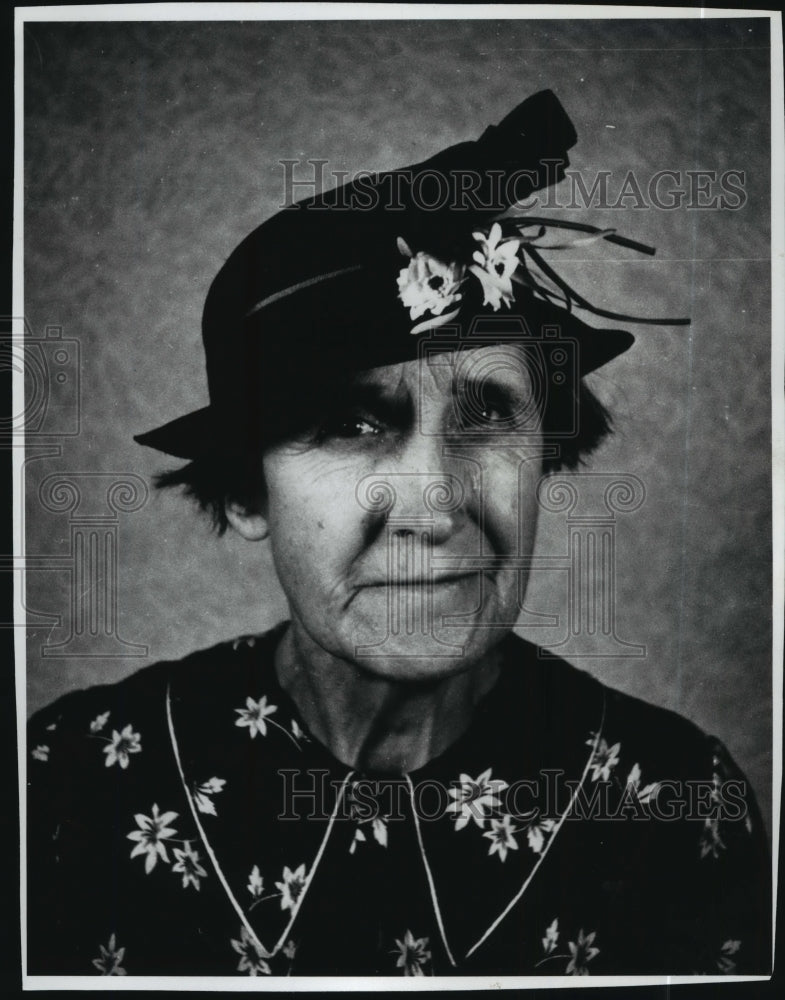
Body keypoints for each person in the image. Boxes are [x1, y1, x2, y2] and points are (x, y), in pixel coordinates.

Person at [26, 90, 770, 978]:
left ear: (546, 454)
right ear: (244, 492)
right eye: (350, 423)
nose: (432, 505)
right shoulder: (71, 784)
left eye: (489, 415)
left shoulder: (675, 805)